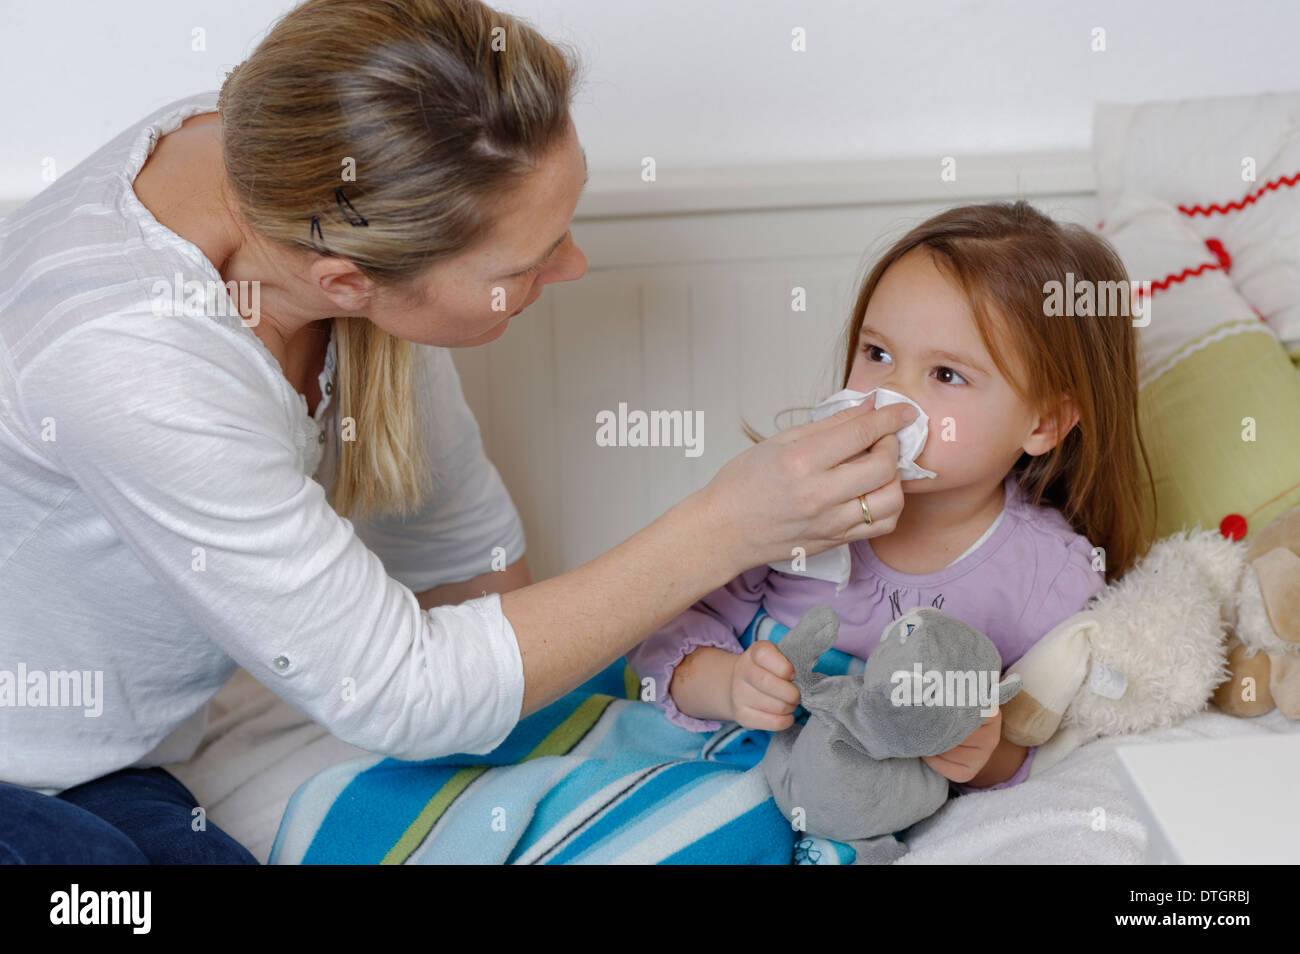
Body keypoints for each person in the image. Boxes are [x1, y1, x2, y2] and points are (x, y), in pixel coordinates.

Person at [0, 0, 914, 864]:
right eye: (527, 262)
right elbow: (403, 692)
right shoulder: (129, 357)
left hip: (117, 757)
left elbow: (456, 548)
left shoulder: (312, 171)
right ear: (346, 283)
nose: (575, 264)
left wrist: (556, 761)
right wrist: (730, 525)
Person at [628, 201, 1158, 794]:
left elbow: (1035, 742)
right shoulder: (792, 505)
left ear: (1043, 424)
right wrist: (727, 684)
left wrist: (985, 752)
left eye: (946, 375)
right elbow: (659, 647)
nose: (889, 394)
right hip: (724, 767)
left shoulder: (1050, 575)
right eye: (877, 355)